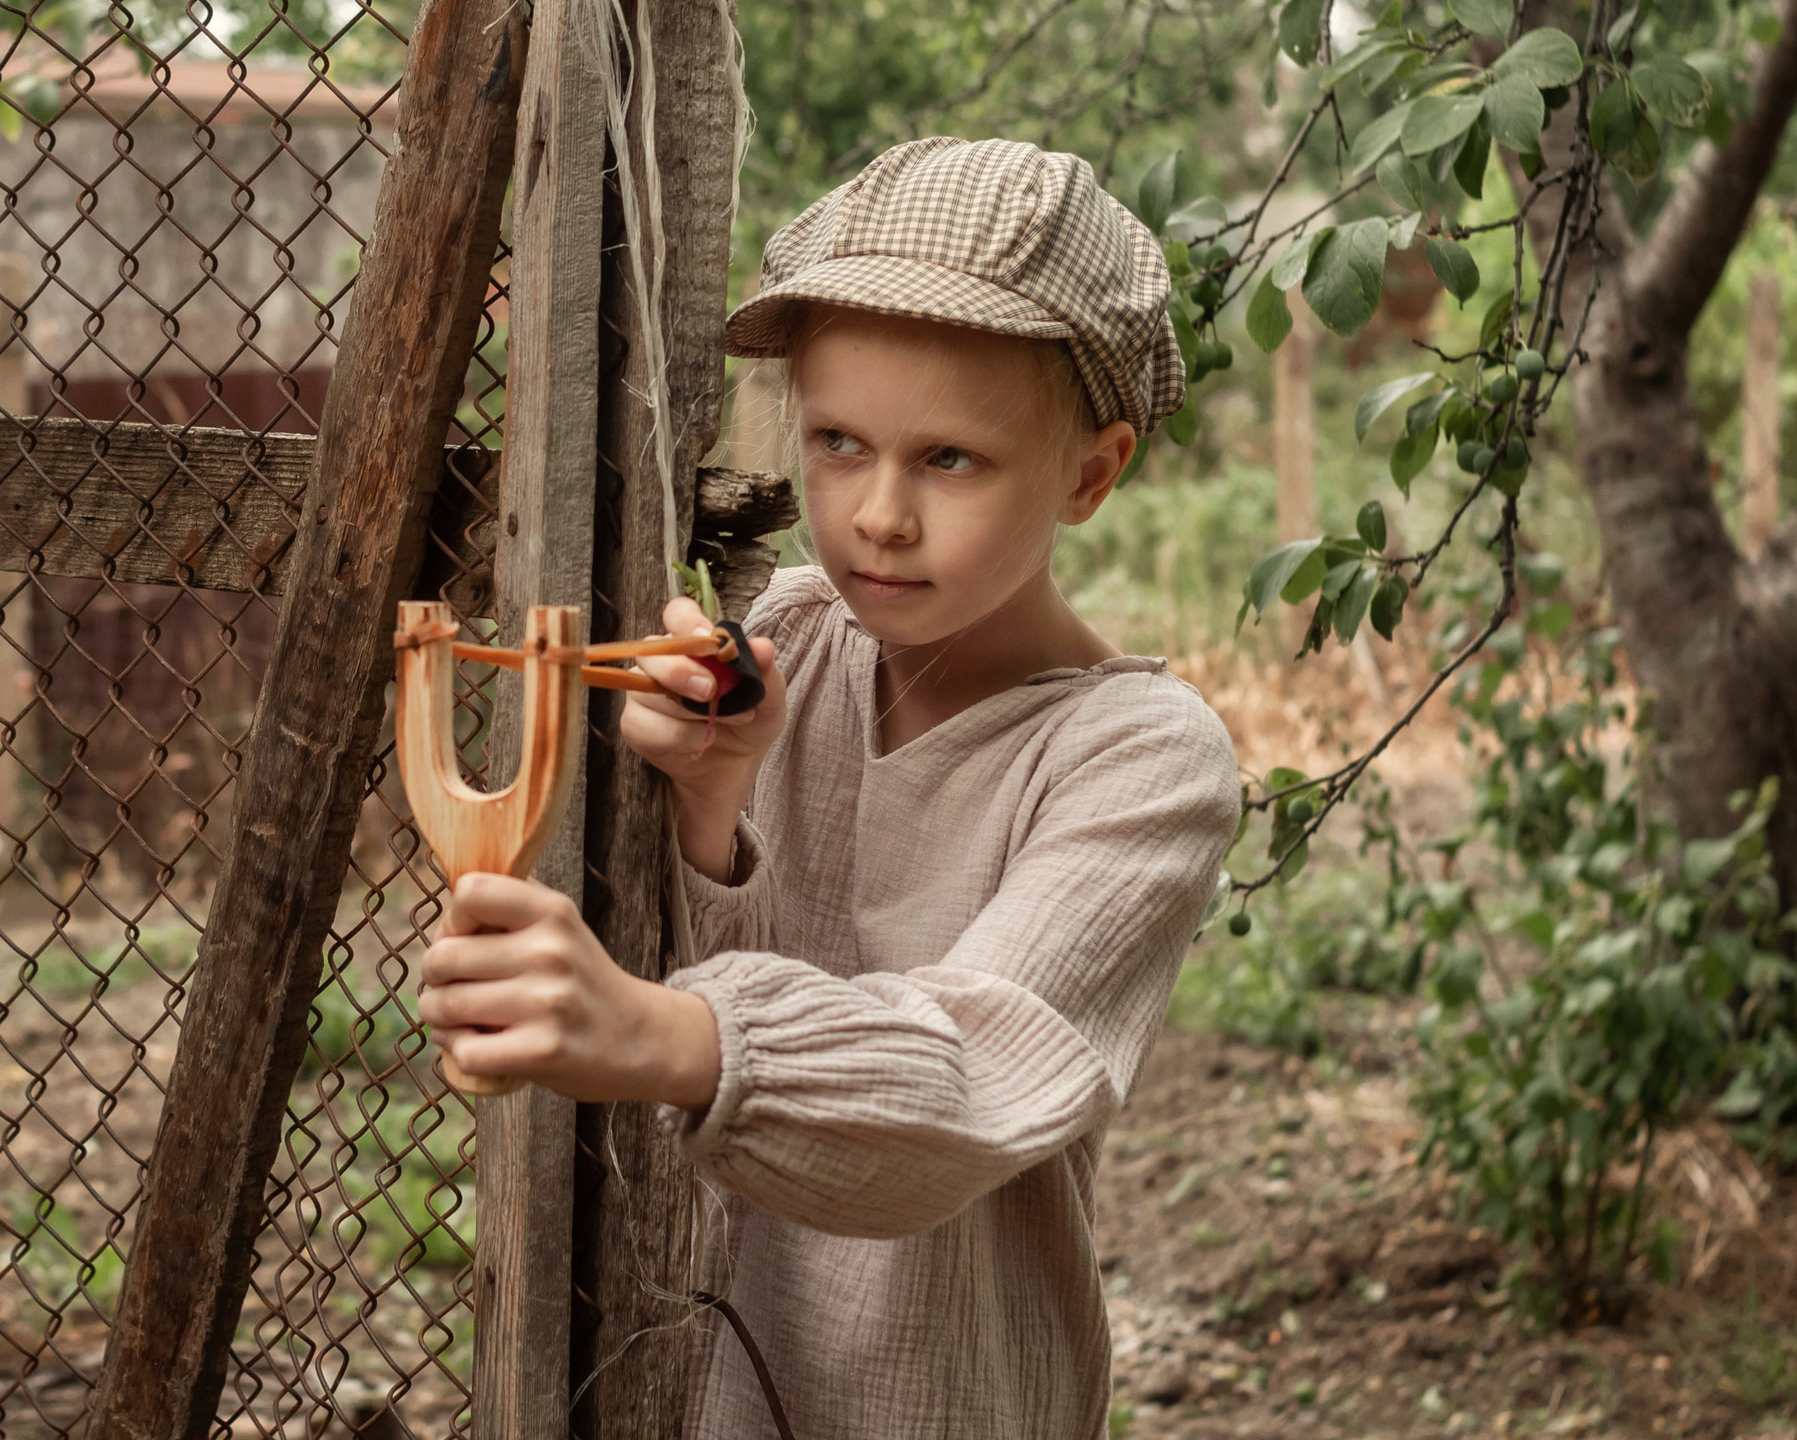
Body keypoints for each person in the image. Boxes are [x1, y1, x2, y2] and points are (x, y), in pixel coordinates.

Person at [417, 136, 1242, 1438]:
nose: (878, 516)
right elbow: (742, 967)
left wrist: (657, 1033)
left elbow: (962, 1089)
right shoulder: (786, 643)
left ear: (1092, 472)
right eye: (840, 444)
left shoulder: (1141, 762)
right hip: (697, 1393)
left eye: (950, 460)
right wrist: (713, 809)